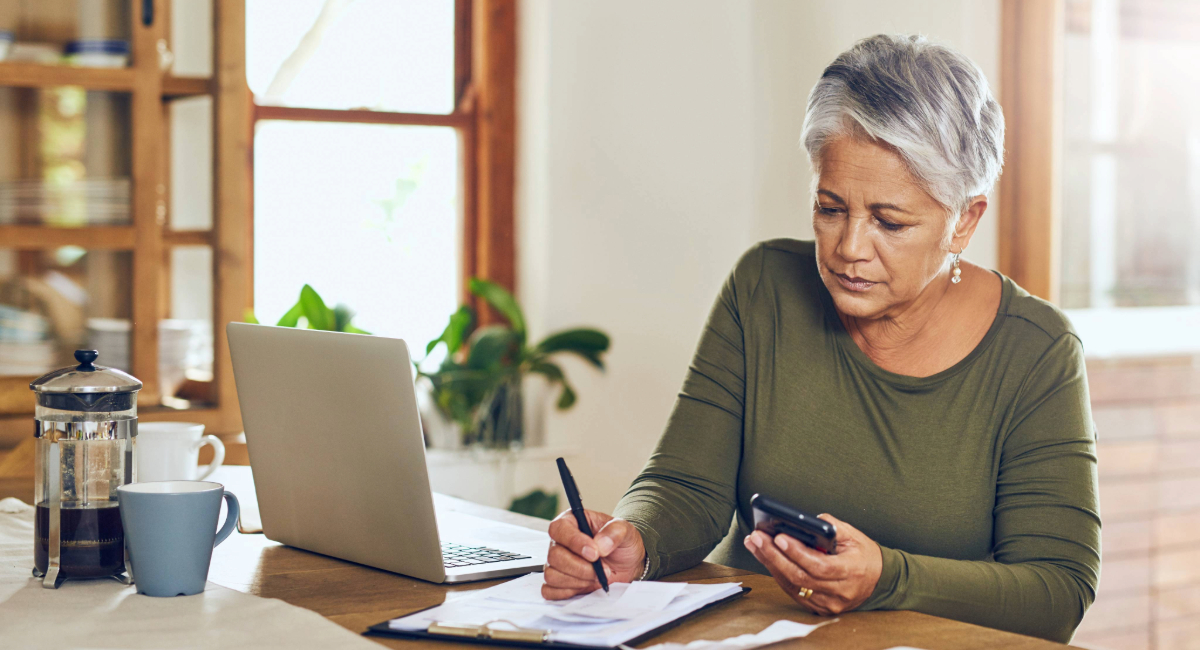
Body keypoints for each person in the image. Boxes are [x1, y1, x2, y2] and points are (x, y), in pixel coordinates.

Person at [540, 34, 1100, 644]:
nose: (849, 249)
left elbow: (1057, 591)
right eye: (830, 209)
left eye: (889, 221)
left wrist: (888, 577)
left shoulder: (1037, 351)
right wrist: (637, 541)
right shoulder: (764, 286)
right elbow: (686, 485)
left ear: (964, 219)